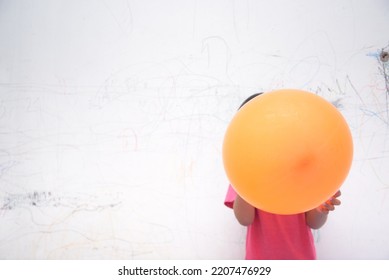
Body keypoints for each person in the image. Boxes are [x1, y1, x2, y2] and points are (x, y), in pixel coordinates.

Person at [224, 93, 342, 260]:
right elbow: (244, 219)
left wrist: (322, 209)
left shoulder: (302, 167)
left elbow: (314, 223)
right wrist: (247, 176)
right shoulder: (239, 170)